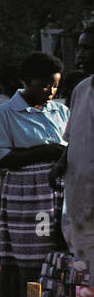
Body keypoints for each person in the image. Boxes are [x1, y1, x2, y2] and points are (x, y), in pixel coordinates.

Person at [0, 51, 69, 297]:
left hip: (60, 191)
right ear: (26, 80)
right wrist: (47, 151)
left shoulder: (61, 111)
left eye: (55, 85)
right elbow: (2, 157)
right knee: (33, 255)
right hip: (28, 195)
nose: (50, 90)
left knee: (61, 249)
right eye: (45, 84)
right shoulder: (6, 113)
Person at [51, 24, 93, 264]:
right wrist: (60, 163)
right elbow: (72, 137)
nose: (80, 54)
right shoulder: (80, 89)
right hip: (79, 197)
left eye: (88, 48)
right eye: (79, 47)